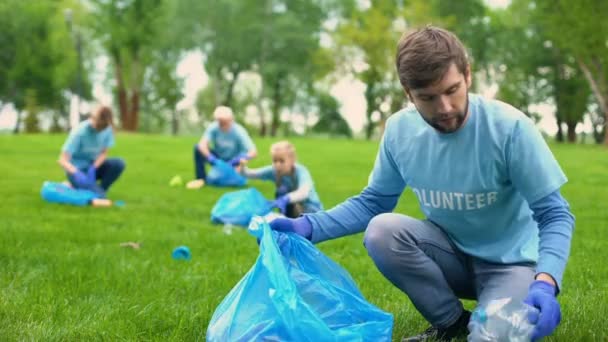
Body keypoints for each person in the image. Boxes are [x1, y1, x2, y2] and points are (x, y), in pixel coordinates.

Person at [269, 26, 574, 341]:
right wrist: (309, 227)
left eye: (452, 89)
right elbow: (373, 203)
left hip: (510, 264)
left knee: (489, 337)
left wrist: (545, 283)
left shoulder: (510, 128)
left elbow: (555, 214)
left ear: (468, 75)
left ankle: (491, 317)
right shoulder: (400, 132)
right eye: (428, 98)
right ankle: (451, 322)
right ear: (407, 92)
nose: (444, 108)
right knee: (381, 230)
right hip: (450, 257)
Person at [58, 105, 125, 198]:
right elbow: (62, 160)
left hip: (92, 168)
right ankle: (75, 186)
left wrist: (93, 167)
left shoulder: (107, 129)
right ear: (92, 118)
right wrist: (76, 173)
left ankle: (100, 191)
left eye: (103, 127)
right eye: (98, 126)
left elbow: (104, 153)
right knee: (97, 195)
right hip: (77, 171)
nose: (100, 130)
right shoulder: (79, 132)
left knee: (119, 164)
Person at [242, 141, 323, 218]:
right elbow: (252, 174)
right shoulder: (274, 171)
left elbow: (304, 192)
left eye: (282, 161)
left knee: (284, 195)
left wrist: (286, 199)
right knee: (281, 192)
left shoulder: (301, 172)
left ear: (292, 160)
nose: (277, 165)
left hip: (312, 212)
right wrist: (242, 166)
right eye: (275, 161)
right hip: (292, 208)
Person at [190, 106, 257, 188]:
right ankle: (201, 179)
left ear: (231, 120)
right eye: (220, 122)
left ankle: (234, 173)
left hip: (234, 160)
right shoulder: (214, 127)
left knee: (233, 179)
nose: (222, 125)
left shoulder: (239, 131)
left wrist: (242, 157)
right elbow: (202, 145)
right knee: (197, 149)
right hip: (219, 158)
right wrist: (211, 158)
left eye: (225, 122)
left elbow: (253, 152)